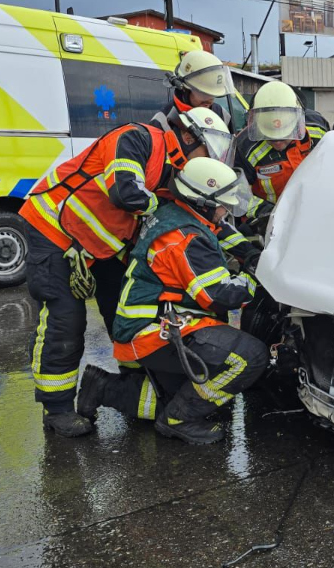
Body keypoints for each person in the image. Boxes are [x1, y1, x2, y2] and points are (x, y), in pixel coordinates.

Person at [18, 106, 245, 438]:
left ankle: (130, 383)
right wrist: (162, 210)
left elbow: (204, 218)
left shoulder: (178, 170)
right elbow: (125, 192)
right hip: (53, 229)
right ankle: (57, 410)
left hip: (101, 247)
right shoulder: (138, 140)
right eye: (207, 150)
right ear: (186, 136)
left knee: (123, 313)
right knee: (65, 320)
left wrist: (247, 249)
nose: (209, 159)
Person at [76, 158, 268, 444]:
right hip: (155, 331)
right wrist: (260, 277)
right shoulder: (185, 238)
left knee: (197, 398)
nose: (226, 210)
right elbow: (219, 295)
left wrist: (248, 252)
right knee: (250, 357)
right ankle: (178, 421)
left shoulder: (177, 213)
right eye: (222, 204)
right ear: (202, 203)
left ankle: (101, 387)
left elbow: (219, 230)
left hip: (148, 324)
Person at [233, 81, 330, 212]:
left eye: (284, 134)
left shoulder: (318, 127)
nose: (278, 142)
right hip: (274, 221)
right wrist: (267, 215)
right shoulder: (244, 147)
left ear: (297, 122)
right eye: (270, 137)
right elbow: (238, 195)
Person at [150, 49, 235, 131]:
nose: (209, 100)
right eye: (203, 93)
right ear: (184, 89)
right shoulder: (162, 122)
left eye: (213, 94)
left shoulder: (221, 115)